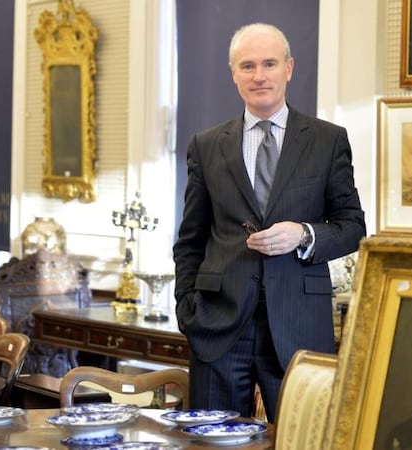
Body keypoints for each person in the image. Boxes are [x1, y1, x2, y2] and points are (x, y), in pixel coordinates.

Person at [172, 23, 366, 422]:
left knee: (304, 441)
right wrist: (187, 308)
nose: (259, 75)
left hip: (299, 327)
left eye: (269, 64)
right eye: (247, 66)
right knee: (212, 446)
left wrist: (304, 234)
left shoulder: (328, 140)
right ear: (234, 74)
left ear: (289, 68)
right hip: (217, 328)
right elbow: (190, 239)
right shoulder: (206, 146)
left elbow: (352, 227)